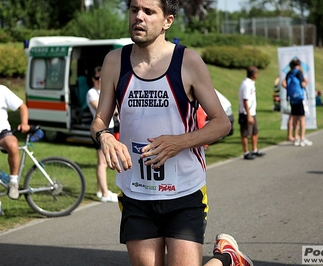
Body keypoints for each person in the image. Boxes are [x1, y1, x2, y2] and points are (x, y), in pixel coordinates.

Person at [90, 1, 254, 265]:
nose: (138, 17)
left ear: (167, 20)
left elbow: (221, 122)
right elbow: (99, 120)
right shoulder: (114, 61)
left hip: (184, 191)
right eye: (134, 10)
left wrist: (179, 142)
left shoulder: (187, 61)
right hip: (137, 192)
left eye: (148, 12)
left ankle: (226, 259)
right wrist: (105, 136)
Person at [0, 61, 30, 219]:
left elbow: (22, 107)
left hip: (1, 133)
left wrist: (24, 123)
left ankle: (14, 181)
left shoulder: (1, 91)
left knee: (12, 143)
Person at [86, 66, 118, 203]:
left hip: (109, 128)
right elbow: (101, 109)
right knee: (102, 163)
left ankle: (100, 190)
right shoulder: (92, 93)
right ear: (93, 79)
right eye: (97, 78)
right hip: (99, 130)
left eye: (102, 78)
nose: (100, 80)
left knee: (102, 162)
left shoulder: (104, 92)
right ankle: (105, 193)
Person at [281, 58, 312, 147]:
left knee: (294, 118)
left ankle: (296, 137)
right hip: (300, 97)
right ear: (299, 65)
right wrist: (306, 82)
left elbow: (284, 84)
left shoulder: (289, 73)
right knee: (302, 118)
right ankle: (302, 138)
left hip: (292, 98)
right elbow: (302, 84)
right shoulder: (299, 72)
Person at [238, 66, 265, 160]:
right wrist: (249, 115)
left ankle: (254, 150)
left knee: (255, 131)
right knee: (245, 133)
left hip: (252, 112)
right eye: (257, 73)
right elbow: (245, 100)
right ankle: (246, 152)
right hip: (246, 113)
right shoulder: (246, 84)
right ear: (253, 74)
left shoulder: (251, 83)